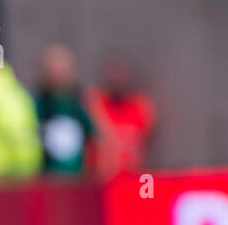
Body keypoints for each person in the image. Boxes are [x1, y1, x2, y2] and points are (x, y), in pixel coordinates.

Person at [86, 53, 157, 179]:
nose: (117, 80)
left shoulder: (140, 107)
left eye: (120, 74)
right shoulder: (96, 104)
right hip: (101, 180)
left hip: (133, 178)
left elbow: (146, 142)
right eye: (113, 74)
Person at [35, 43, 95, 176]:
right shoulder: (37, 106)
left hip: (77, 180)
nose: (57, 77)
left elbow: (93, 139)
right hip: (46, 179)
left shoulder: (79, 105)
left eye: (61, 72)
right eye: (52, 72)